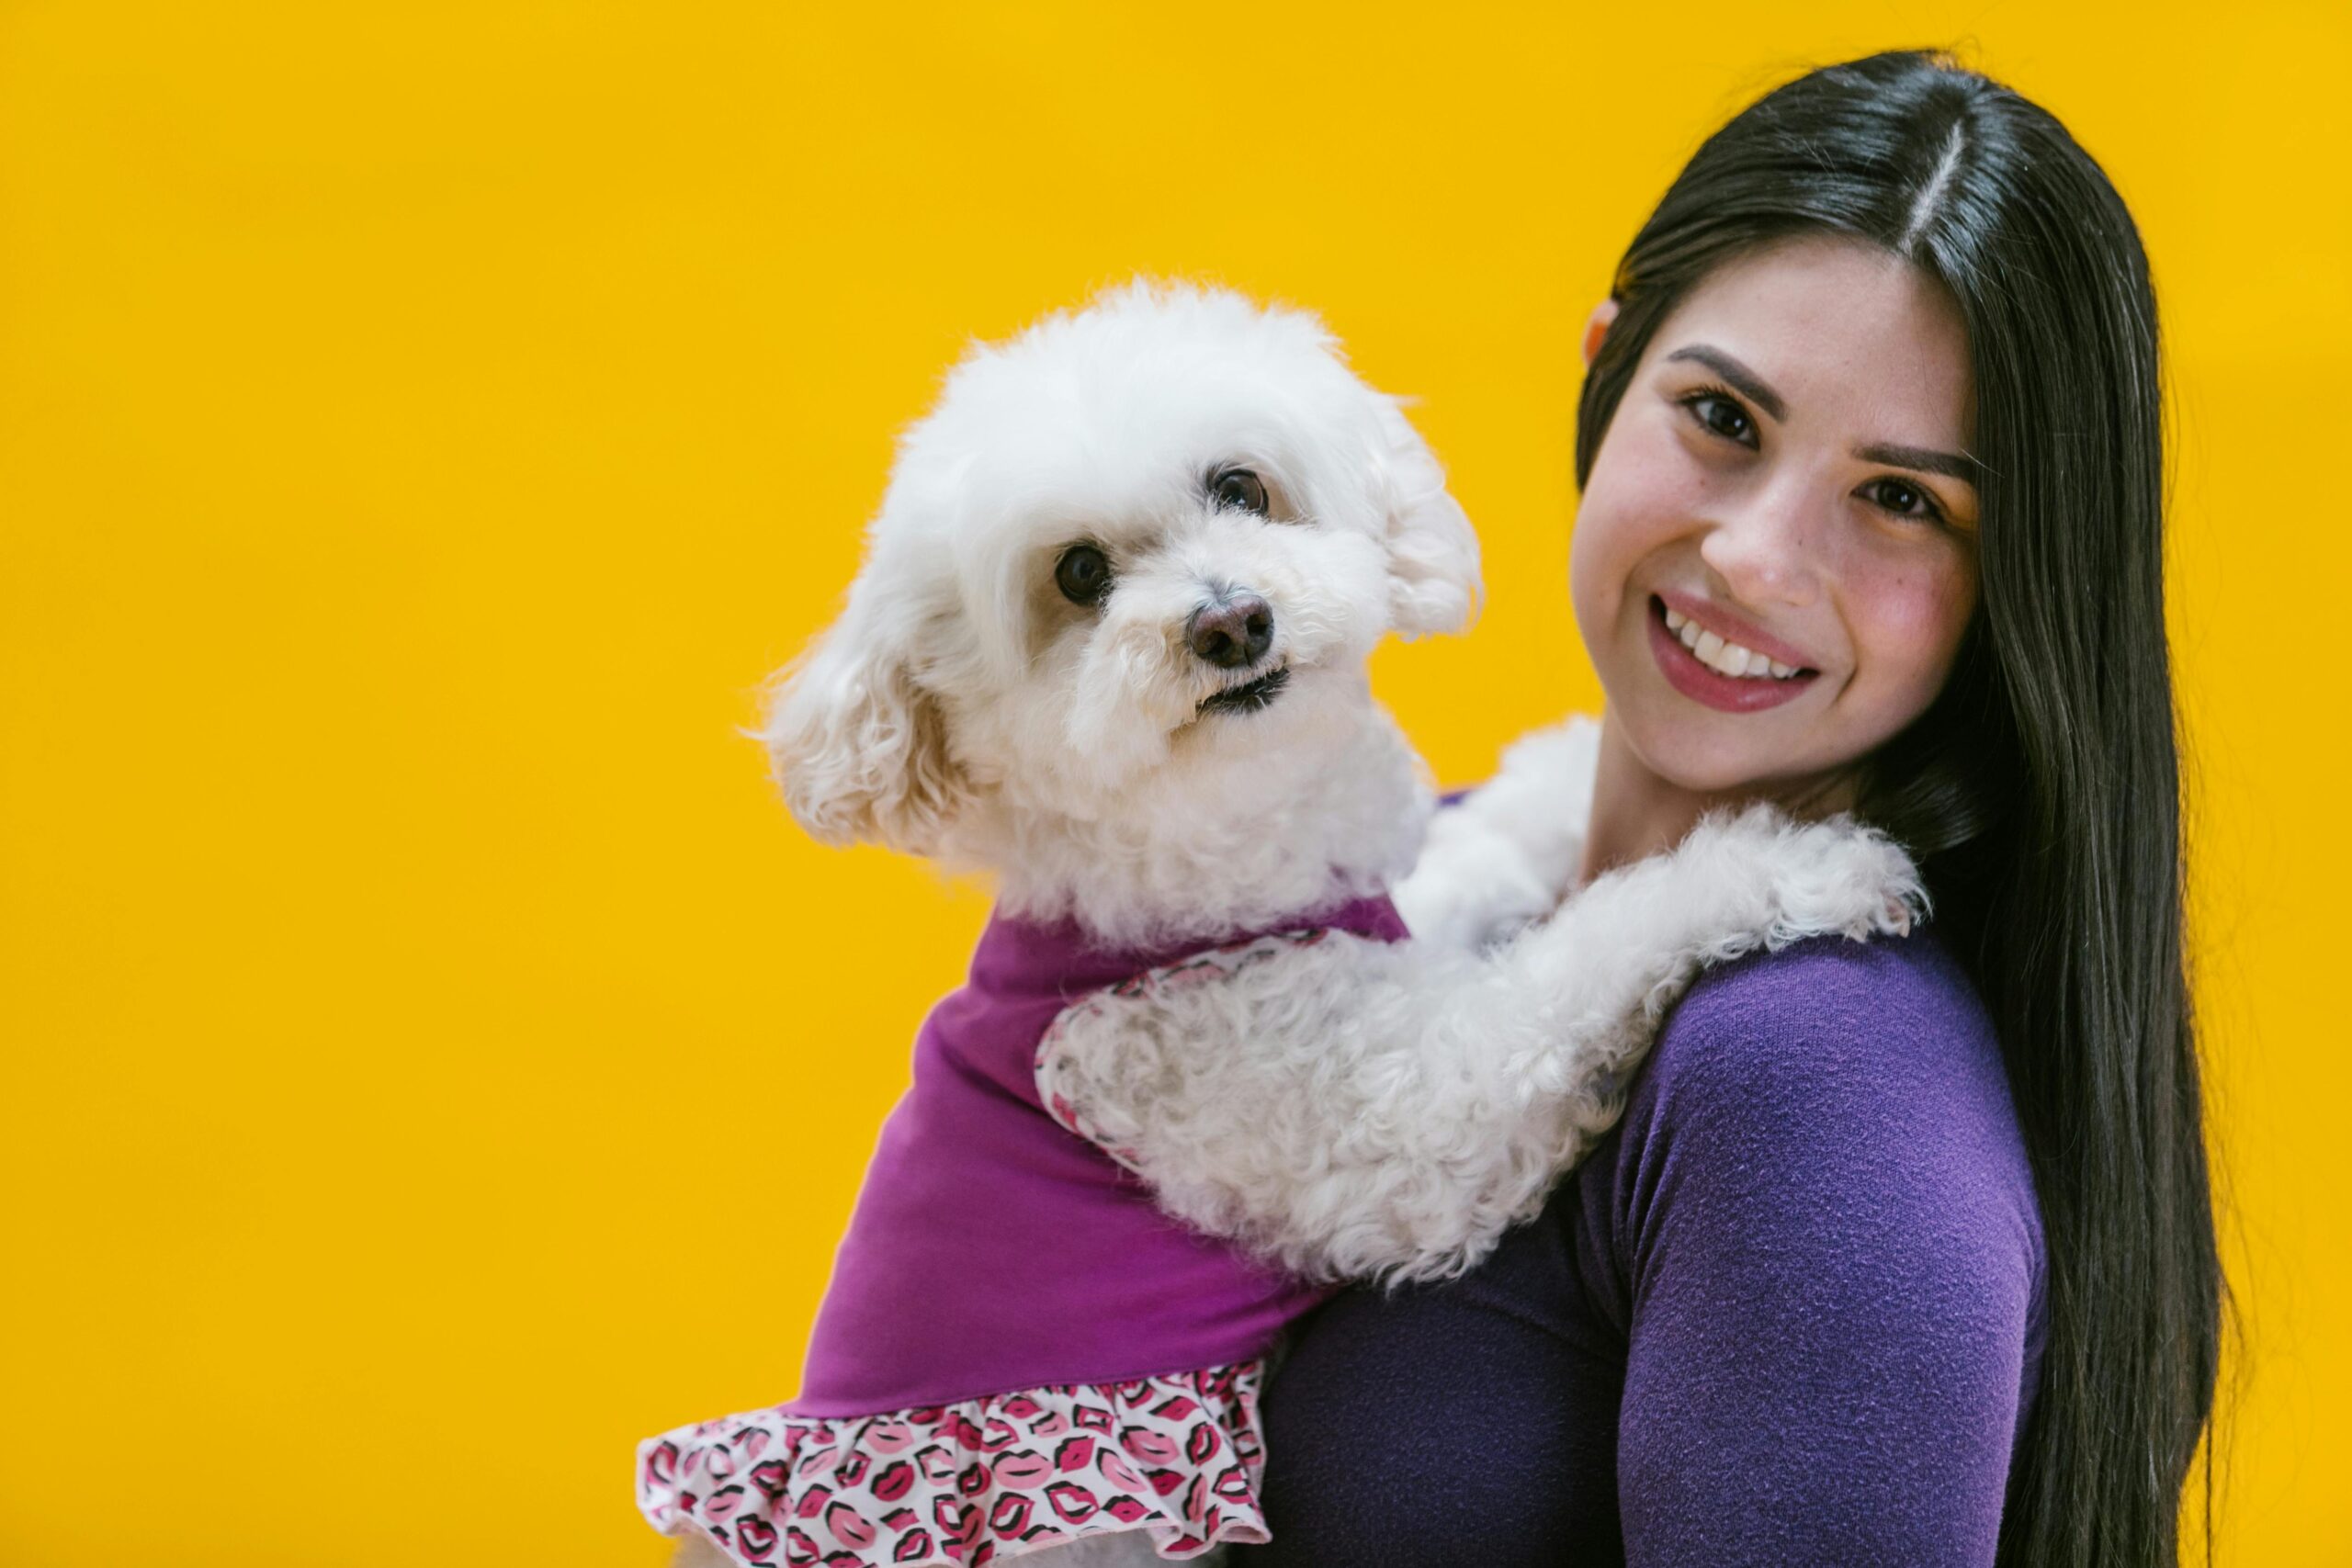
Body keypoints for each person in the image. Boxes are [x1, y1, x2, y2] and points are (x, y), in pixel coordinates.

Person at [1228, 51, 2224, 1567]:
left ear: (2014, 587)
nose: (1757, 558)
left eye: (1903, 501)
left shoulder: (1809, 1070)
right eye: (1722, 418)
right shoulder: (1435, 863)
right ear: (1605, 365)